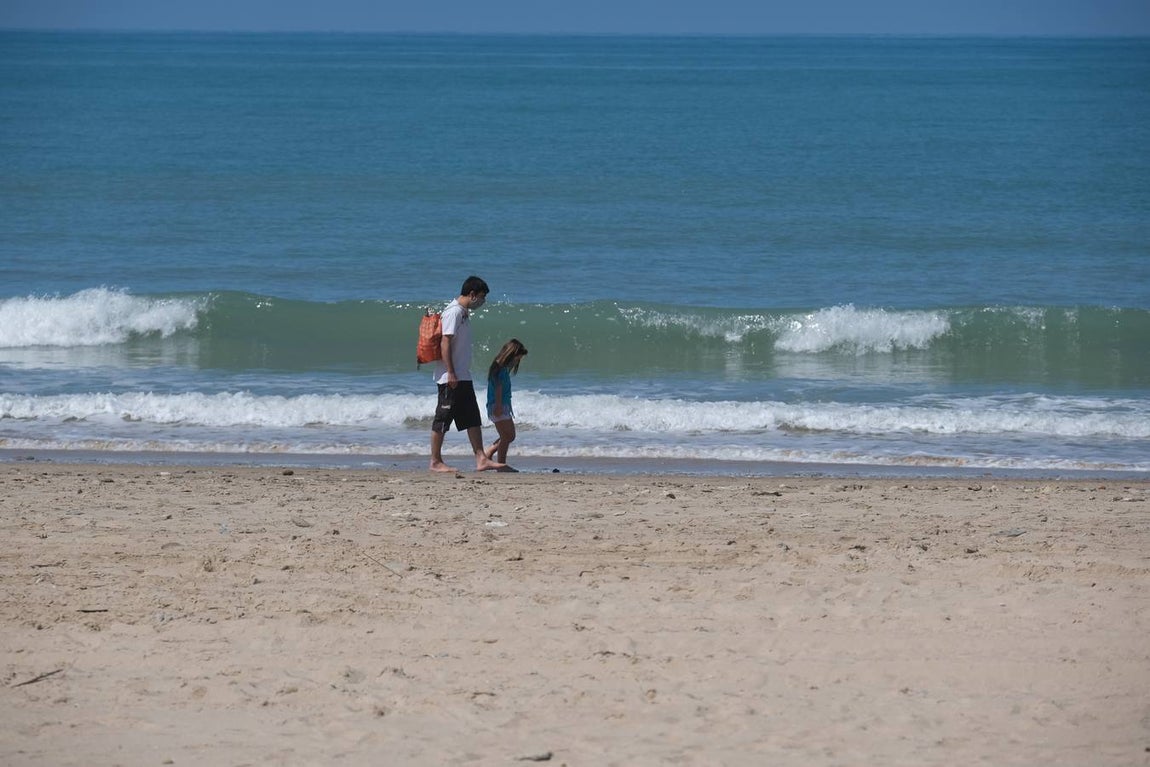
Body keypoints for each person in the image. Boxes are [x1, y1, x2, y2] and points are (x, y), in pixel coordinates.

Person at [429, 276, 508, 472]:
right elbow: (445, 342)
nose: (483, 302)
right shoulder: (453, 312)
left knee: (472, 418)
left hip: (463, 375)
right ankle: (435, 461)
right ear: (472, 294)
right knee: (442, 420)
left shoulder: (462, 312)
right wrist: (451, 372)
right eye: (481, 297)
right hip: (451, 378)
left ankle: (481, 458)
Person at [484, 339, 528, 466]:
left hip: (498, 406)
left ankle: (489, 454)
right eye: (517, 358)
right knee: (507, 436)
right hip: (498, 406)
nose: (517, 361)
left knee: (508, 436)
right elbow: (498, 388)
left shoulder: (499, 367)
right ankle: (501, 463)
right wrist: (498, 406)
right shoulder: (500, 369)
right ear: (511, 354)